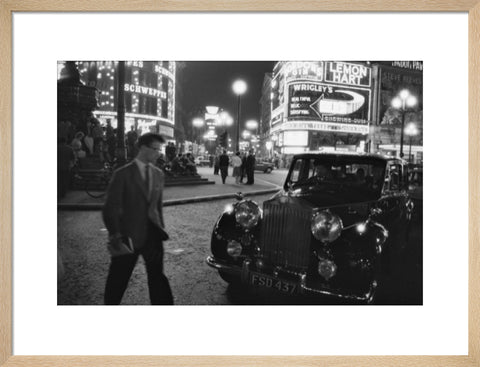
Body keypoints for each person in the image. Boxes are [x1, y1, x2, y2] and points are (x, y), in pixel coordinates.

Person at [102, 133, 174, 305]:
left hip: (153, 235)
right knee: (119, 278)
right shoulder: (123, 174)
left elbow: (157, 206)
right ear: (142, 148)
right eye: (155, 149)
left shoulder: (158, 174)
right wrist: (115, 234)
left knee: (157, 277)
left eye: (160, 149)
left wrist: (160, 227)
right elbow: (110, 208)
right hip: (128, 236)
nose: (159, 153)